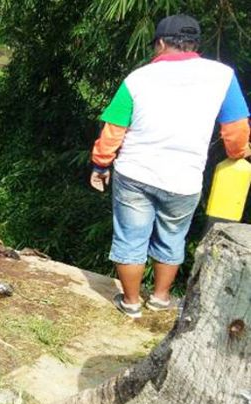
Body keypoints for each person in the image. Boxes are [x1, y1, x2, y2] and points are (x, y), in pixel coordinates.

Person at [90, 14, 251, 318]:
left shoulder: (138, 79)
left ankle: (132, 303)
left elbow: (113, 130)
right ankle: (162, 298)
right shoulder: (223, 75)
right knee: (172, 237)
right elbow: (236, 131)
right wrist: (239, 154)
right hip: (185, 179)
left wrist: (100, 165)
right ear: (194, 44)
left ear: (161, 43)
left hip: (135, 173)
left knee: (130, 237)